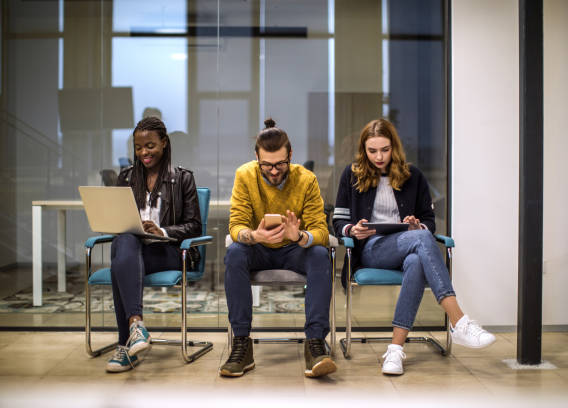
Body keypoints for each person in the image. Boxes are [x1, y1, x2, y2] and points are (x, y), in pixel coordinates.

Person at [333, 118, 495, 376]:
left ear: (394, 147)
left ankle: (395, 350)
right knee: (421, 240)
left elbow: (428, 221)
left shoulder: (413, 176)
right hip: (372, 250)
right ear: (364, 149)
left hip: (407, 247)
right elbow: (338, 218)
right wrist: (352, 230)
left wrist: (416, 225)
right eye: (372, 150)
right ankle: (459, 321)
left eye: (384, 150)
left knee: (418, 258)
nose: (379, 156)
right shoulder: (351, 175)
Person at [221, 118, 335, 378]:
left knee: (319, 254)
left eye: (280, 164)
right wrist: (255, 236)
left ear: (291, 155)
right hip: (259, 249)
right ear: (256, 158)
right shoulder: (245, 175)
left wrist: (300, 236)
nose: (273, 171)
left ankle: (315, 344)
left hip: (294, 250)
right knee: (235, 252)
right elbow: (236, 226)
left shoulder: (306, 179)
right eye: (267, 165)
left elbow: (321, 230)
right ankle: (241, 343)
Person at [106, 116, 202, 373]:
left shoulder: (182, 178)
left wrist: (161, 230)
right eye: (138, 148)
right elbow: (117, 220)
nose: (143, 153)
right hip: (133, 252)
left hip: (169, 251)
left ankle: (125, 344)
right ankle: (137, 327)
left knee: (119, 263)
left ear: (164, 143)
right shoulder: (126, 177)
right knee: (124, 241)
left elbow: (194, 225)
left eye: (150, 146)